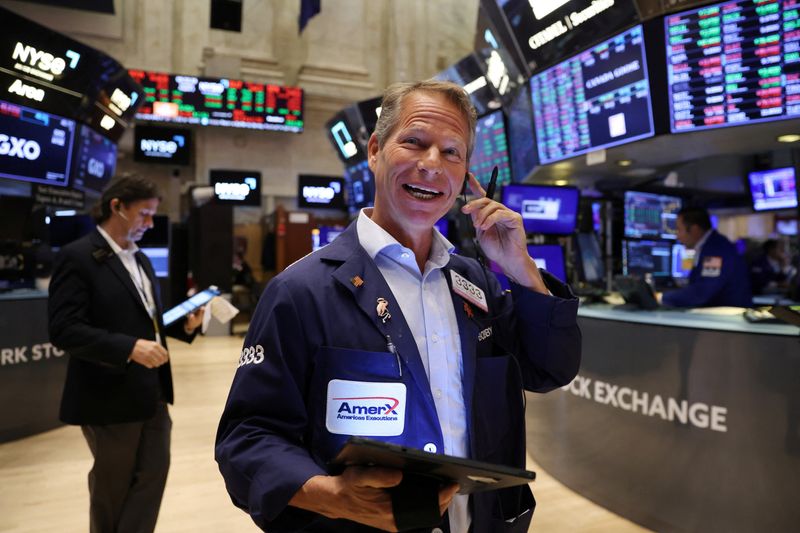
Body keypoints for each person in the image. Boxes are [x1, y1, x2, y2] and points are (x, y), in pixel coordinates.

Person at [215, 80, 582, 532]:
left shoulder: (477, 282)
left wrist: (519, 266)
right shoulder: (300, 291)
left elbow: (550, 369)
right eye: (414, 142)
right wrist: (332, 498)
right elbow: (247, 440)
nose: (433, 165)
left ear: (467, 174)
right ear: (374, 150)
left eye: (452, 152)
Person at [48, 176, 204, 533]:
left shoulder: (142, 260)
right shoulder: (78, 257)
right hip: (107, 395)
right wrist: (129, 348)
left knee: (152, 476)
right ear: (116, 206)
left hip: (152, 391)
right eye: (144, 215)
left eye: (152, 216)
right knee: (112, 486)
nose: (150, 224)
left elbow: (146, 320)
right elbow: (64, 329)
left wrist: (185, 326)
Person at [661, 207, 752, 308]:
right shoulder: (710, 246)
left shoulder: (716, 250)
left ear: (694, 230)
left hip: (727, 316)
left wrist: (662, 297)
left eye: (679, 230)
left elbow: (702, 291)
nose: (677, 236)